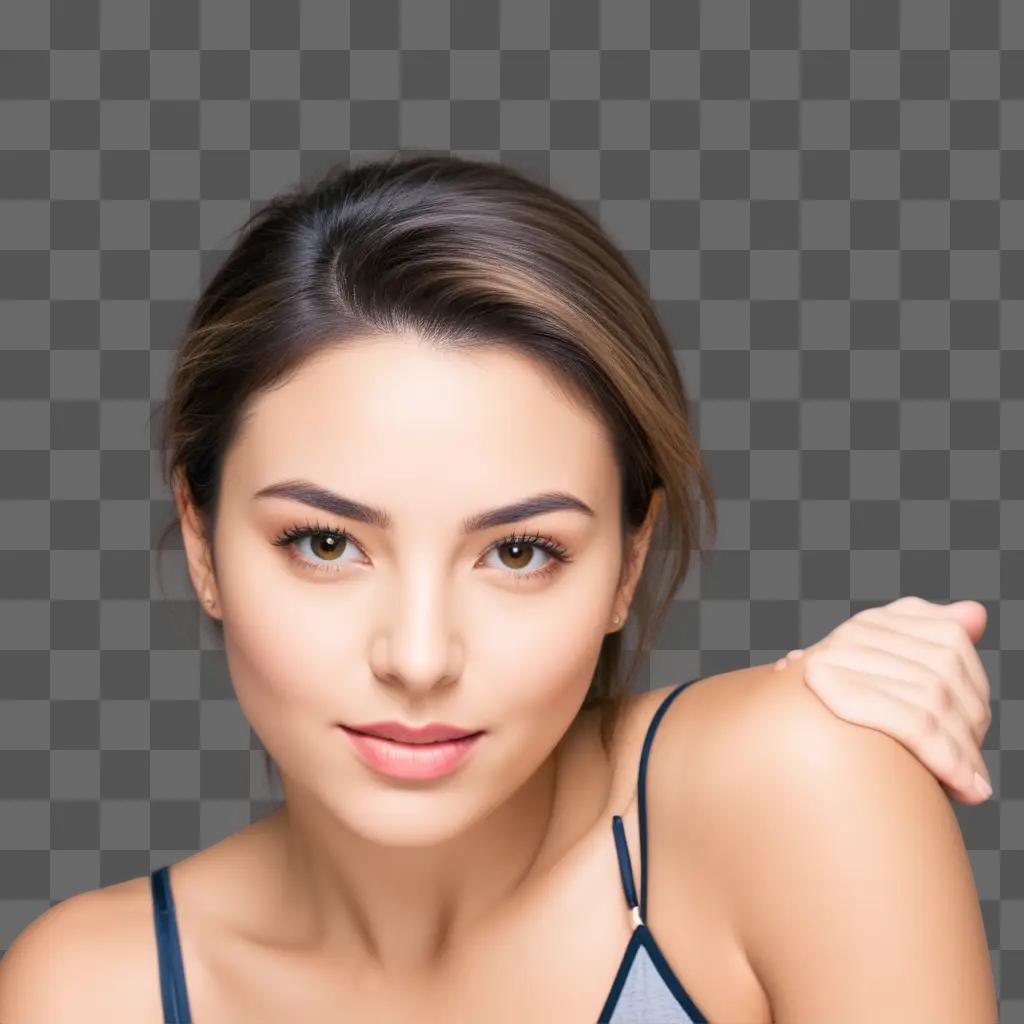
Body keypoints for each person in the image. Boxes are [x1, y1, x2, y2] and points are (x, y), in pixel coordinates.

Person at [0, 155, 996, 1021]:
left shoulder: (795, 790)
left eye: (518, 552)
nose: (420, 657)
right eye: (323, 542)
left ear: (628, 562)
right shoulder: (95, 988)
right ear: (203, 540)